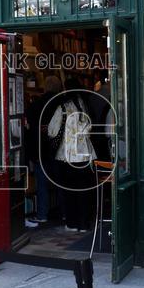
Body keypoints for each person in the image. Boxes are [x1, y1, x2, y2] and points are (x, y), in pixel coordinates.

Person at [48, 78, 96, 233]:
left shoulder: (63, 108)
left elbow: (52, 131)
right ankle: (83, 223)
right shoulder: (84, 105)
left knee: (69, 191)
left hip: (67, 155)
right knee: (84, 191)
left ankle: (72, 223)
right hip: (85, 154)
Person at [24, 76, 62, 228]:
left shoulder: (36, 104)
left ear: (45, 86)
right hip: (58, 148)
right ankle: (63, 212)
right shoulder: (62, 103)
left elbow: (29, 128)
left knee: (42, 184)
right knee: (60, 183)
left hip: (40, 149)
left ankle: (42, 214)